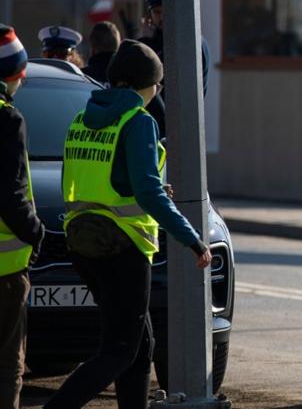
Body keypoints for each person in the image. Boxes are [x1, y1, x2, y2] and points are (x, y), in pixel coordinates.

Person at [44, 40, 212, 408]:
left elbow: (96, 181)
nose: (159, 91)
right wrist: (194, 240)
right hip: (122, 247)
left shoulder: (81, 120)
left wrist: (142, 188)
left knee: (140, 347)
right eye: (158, 84)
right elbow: (150, 194)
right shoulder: (138, 121)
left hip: (83, 243)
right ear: (145, 84)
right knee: (119, 351)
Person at [0, 24, 45, 409]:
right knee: (7, 362)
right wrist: (36, 232)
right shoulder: (8, 120)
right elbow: (11, 196)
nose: (23, 77)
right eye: (19, 71)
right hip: (4, 271)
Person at [138, 0, 211, 138]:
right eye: (157, 12)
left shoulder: (191, 42)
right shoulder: (153, 42)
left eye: (167, 11)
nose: (162, 17)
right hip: (151, 128)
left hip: (178, 130)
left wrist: (147, 45)